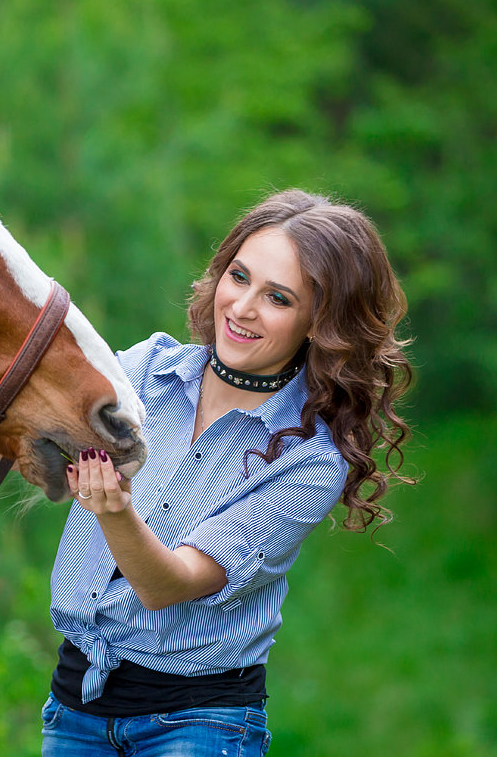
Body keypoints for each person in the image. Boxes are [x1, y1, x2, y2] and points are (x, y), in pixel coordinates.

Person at [42, 189, 413, 756]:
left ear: (320, 323)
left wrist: (114, 511)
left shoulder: (310, 460)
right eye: (238, 277)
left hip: (198, 727)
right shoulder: (143, 370)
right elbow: (27, 430)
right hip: (73, 711)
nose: (242, 308)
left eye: (278, 298)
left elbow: (170, 585)